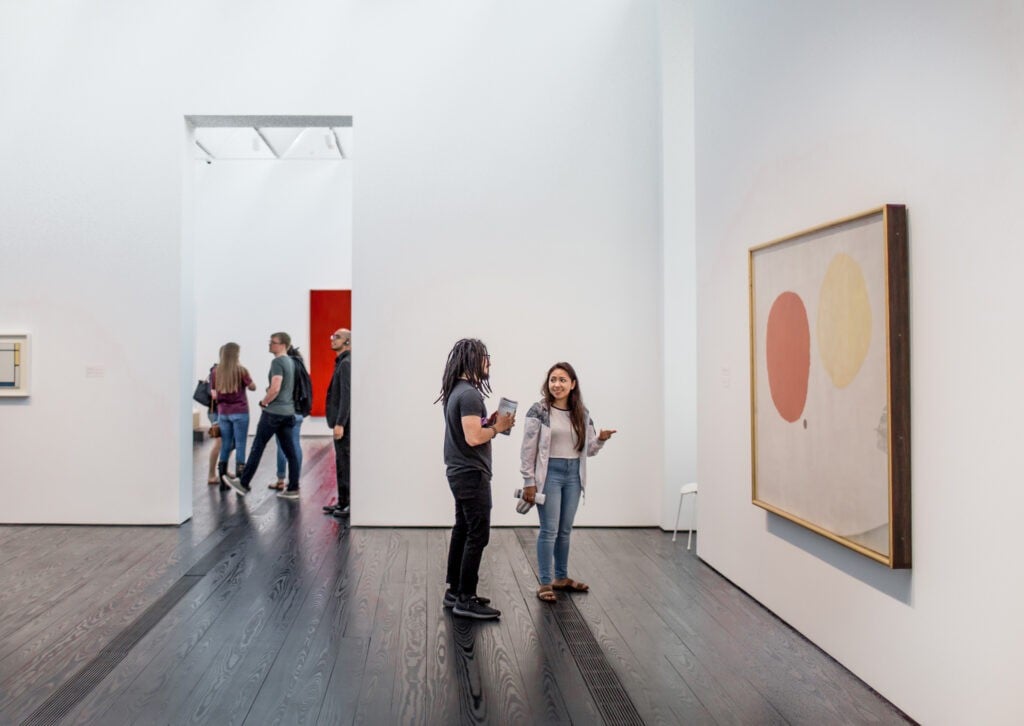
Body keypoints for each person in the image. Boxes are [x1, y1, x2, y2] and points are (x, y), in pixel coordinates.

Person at [519, 362, 616, 603]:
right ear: (547, 384)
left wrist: (601, 440)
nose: (557, 384)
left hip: (574, 474)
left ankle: (560, 578)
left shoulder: (581, 413)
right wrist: (528, 480)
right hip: (550, 473)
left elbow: (588, 450)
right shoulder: (538, 411)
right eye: (553, 379)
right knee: (549, 530)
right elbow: (528, 448)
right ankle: (545, 582)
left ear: (573, 384)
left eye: (563, 380)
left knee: (564, 530)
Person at [437, 338, 515, 620]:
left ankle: (455, 591)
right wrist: (497, 427)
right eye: (486, 358)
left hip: (460, 471)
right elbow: (472, 437)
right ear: (472, 359)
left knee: (463, 529)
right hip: (470, 473)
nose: (489, 363)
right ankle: (466, 599)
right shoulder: (469, 394)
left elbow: (469, 429)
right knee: (477, 534)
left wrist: (488, 422)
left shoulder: (457, 391)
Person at [222, 332, 302, 499]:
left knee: (257, 447)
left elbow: (276, 387)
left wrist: (264, 401)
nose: (270, 345)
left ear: (283, 345)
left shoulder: (278, 362)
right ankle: (293, 487)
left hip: (273, 414)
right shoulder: (291, 362)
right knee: (291, 452)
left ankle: (243, 483)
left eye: (273, 342)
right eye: (270, 342)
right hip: (288, 413)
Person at [211, 342, 257, 488]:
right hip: (240, 412)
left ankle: (223, 480)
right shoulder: (241, 371)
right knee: (241, 444)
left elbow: (213, 393)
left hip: (223, 413)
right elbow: (252, 387)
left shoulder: (215, 372)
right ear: (236, 355)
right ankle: (240, 480)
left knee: (225, 444)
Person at [269, 345, 306, 491]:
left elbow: (276, 389)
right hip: (298, 412)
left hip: (285, 411)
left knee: (282, 446)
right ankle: (294, 480)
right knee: (295, 444)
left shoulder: (284, 367)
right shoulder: (300, 367)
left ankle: (280, 479)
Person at [323, 328, 352, 518]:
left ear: (348, 342)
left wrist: (340, 423)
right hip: (341, 423)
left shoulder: (346, 364)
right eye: (332, 336)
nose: (333, 339)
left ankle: (346, 503)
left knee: (344, 463)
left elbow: (346, 396)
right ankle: (342, 502)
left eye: (338, 337)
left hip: (344, 425)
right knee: (341, 462)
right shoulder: (342, 363)